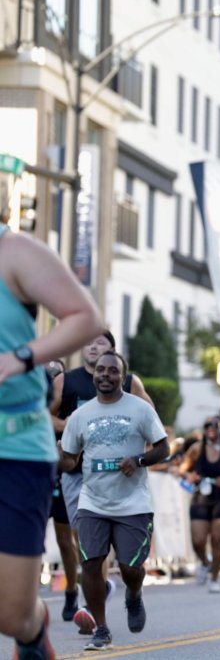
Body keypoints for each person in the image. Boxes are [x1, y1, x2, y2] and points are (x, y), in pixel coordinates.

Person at [0, 222, 102, 658]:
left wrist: (23, 357)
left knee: (11, 615)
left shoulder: (15, 251)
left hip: (16, 448)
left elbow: (86, 318)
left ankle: (33, 627)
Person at [57, 351, 170, 652]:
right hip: (93, 501)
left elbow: (163, 448)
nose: (105, 375)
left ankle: (133, 594)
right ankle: (101, 628)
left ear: (123, 376)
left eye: (113, 371)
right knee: (91, 563)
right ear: (94, 375)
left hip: (133, 502)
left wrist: (139, 459)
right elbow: (70, 460)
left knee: (130, 567)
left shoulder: (140, 409)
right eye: (101, 370)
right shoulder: (80, 416)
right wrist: (57, 457)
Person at [179, 417, 220, 593]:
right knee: (198, 540)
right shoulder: (196, 449)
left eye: (214, 426)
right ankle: (204, 562)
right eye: (207, 426)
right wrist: (189, 476)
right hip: (201, 497)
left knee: (217, 540)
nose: (211, 429)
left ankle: (215, 578)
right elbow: (182, 469)